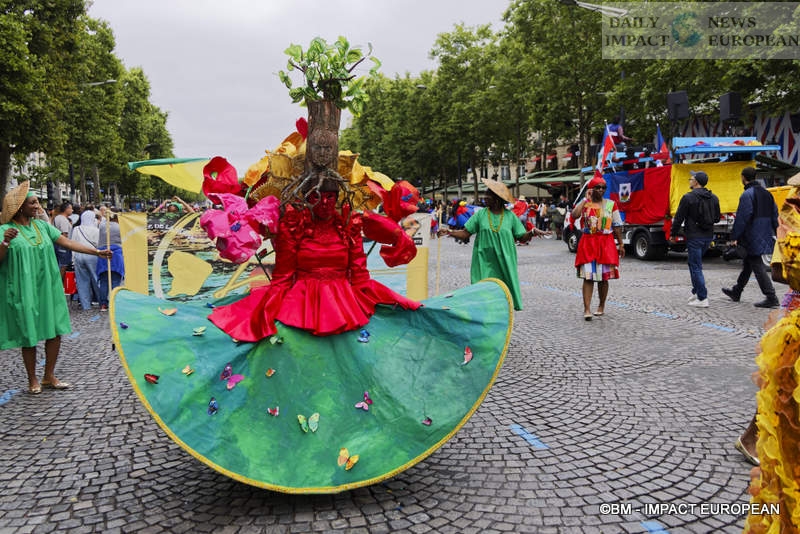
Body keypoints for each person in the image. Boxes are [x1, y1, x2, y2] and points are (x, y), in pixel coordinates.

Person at [208, 179, 422, 340]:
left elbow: (359, 271)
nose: (325, 203)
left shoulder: (349, 224)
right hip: (301, 301)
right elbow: (284, 273)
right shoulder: (293, 225)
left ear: (338, 197)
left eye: (331, 196)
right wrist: (270, 306)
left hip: (345, 301)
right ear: (306, 197)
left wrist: (370, 296)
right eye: (317, 196)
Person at [0, 182, 112, 394]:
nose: (37, 206)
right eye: (32, 202)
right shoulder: (5, 230)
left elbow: (66, 243)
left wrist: (96, 252)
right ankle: (32, 379)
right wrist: (5, 243)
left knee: (55, 330)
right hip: (23, 289)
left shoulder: (42, 226)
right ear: (20, 206)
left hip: (48, 286)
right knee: (29, 334)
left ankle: (48, 376)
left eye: (37, 202)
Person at [735, 172, 800, 467]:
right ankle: (752, 438)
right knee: (785, 379)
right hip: (797, 313)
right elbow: (778, 270)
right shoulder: (792, 209)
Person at [438, 178, 549, 311]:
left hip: (504, 261)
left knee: (503, 294)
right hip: (483, 261)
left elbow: (521, 237)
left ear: (497, 199)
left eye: (488, 195)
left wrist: (532, 232)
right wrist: (449, 232)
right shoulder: (480, 215)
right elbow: (466, 233)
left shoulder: (510, 217)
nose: (485, 198)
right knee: (483, 293)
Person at [721, 167, 780, 308]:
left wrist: (735, 236)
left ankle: (771, 297)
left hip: (752, 234)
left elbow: (743, 217)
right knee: (748, 263)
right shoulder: (767, 194)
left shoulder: (747, 194)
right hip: (765, 233)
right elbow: (775, 214)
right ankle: (737, 291)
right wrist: (776, 232)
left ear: (743, 177)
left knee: (756, 264)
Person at [571, 175, 625, 320]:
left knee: (603, 278)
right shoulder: (586, 204)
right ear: (591, 189)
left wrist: (620, 244)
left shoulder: (611, 204)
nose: (601, 190)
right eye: (598, 187)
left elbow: (617, 225)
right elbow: (574, 215)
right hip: (588, 243)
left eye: (603, 187)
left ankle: (601, 305)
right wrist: (584, 199)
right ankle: (587, 309)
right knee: (588, 277)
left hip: (606, 243)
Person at [671, 170, 721, 308]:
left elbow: (679, 217)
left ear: (696, 182)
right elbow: (717, 218)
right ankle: (696, 291)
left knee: (696, 266)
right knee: (694, 264)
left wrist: (673, 234)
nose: (689, 180)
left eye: (691, 179)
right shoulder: (714, 197)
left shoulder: (688, 197)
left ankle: (703, 297)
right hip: (708, 236)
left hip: (694, 236)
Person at [70, 217, 101, 310]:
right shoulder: (96, 230)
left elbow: (72, 243)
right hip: (92, 255)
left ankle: (85, 305)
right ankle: (102, 302)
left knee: (82, 281)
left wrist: (73, 258)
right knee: (96, 279)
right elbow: (98, 244)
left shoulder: (76, 229)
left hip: (78, 256)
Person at [97, 212, 124, 311]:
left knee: (104, 281)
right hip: (116, 255)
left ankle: (103, 304)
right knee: (115, 280)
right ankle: (114, 303)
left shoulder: (102, 225)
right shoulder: (120, 227)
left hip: (103, 254)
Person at [52, 201, 74, 278]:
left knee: (58, 264)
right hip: (63, 246)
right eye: (71, 208)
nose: (72, 210)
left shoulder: (57, 217)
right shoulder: (63, 220)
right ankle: (59, 283)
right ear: (66, 209)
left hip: (56, 244)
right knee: (63, 266)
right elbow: (65, 234)